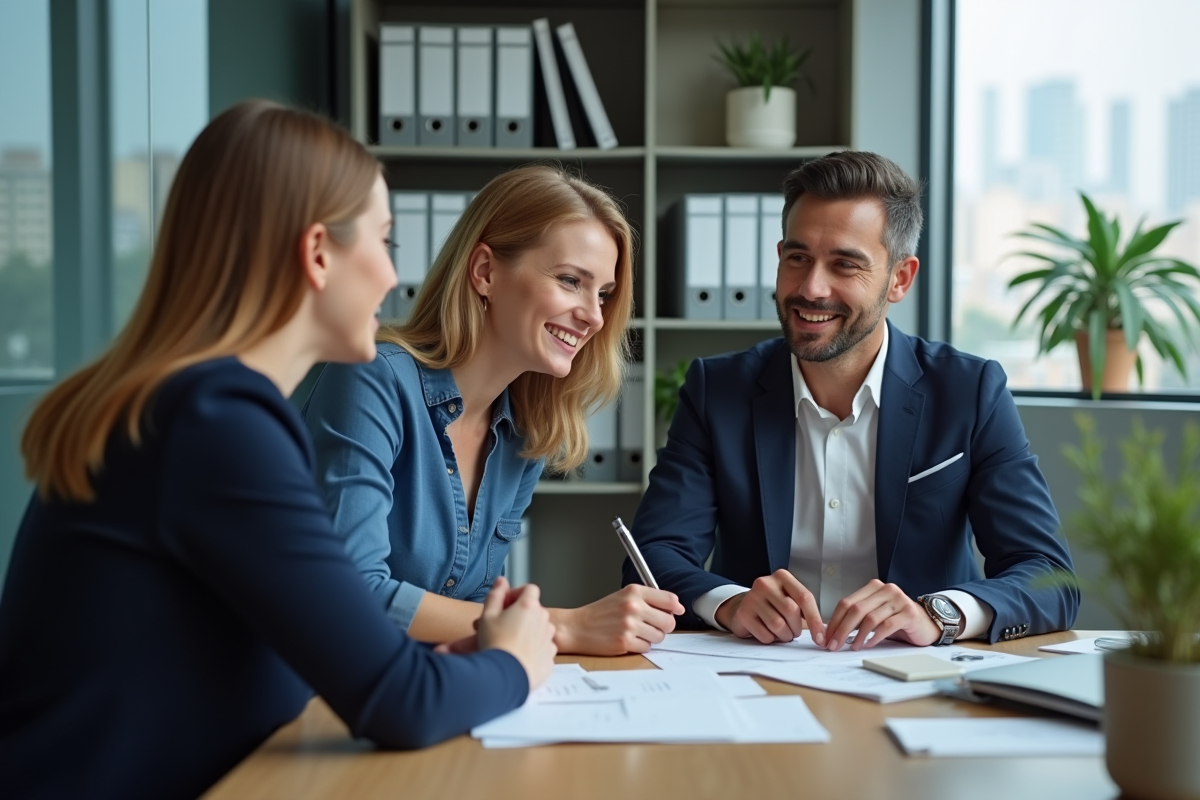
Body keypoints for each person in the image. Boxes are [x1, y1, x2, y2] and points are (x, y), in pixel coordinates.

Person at [0, 101, 557, 800]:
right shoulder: (216, 423)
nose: (392, 277)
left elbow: (301, 656)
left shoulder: (192, 405)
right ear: (318, 251)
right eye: (384, 243)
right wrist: (516, 660)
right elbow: (398, 704)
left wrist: (432, 665)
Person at [626, 150, 1078, 651]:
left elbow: (1048, 576)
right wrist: (729, 603)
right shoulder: (719, 389)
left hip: (913, 680)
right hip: (756, 674)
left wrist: (940, 613)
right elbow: (653, 554)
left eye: (845, 264)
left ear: (899, 279)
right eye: (797, 258)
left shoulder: (969, 392)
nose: (811, 288)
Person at [302, 165, 684, 656]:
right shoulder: (372, 378)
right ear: (485, 272)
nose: (594, 315)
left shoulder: (527, 433)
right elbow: (350, 595)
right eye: (571, 281)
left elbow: (476, 605)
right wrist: (560, 626)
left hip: (423, 687)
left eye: (604, 294)